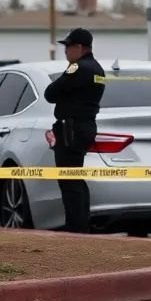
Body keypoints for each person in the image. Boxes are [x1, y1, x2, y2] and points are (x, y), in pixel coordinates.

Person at [44, 28, 106, 232]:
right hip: (85, 125)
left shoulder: (78, 67)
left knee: (69, 178)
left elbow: (51, 93)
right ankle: (80, 224)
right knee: (75, 176)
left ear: (80, 47)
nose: (65, 52)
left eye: (68, 47)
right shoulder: (97, 69)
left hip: (70, 128)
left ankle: (75, 227)